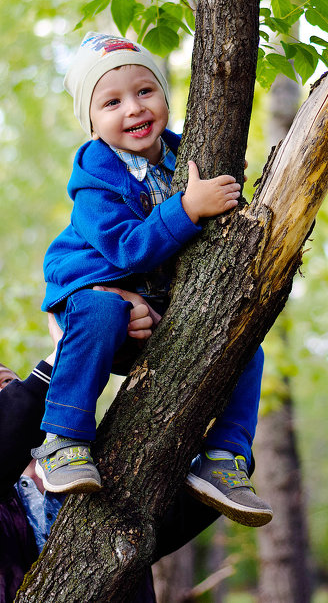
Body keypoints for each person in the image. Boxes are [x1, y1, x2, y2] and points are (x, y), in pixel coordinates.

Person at [31, 32, 271, 527]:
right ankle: (63, 439)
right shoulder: (97, 179)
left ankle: (224, 458)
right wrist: (187, 207)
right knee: (101, 310)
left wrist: (227, 177)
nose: (134, 109)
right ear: (92, 123)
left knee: (245, 345)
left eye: (146, 91)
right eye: (112, 102)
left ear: (165, 96)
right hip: (92, 298)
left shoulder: (184, 153)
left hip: (153, 311)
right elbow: (125, 248)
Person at [0, 309, 220, 603]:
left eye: (8, 383)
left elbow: (174, 514)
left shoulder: (90, 466)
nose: (9, 393)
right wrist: (77, 343)